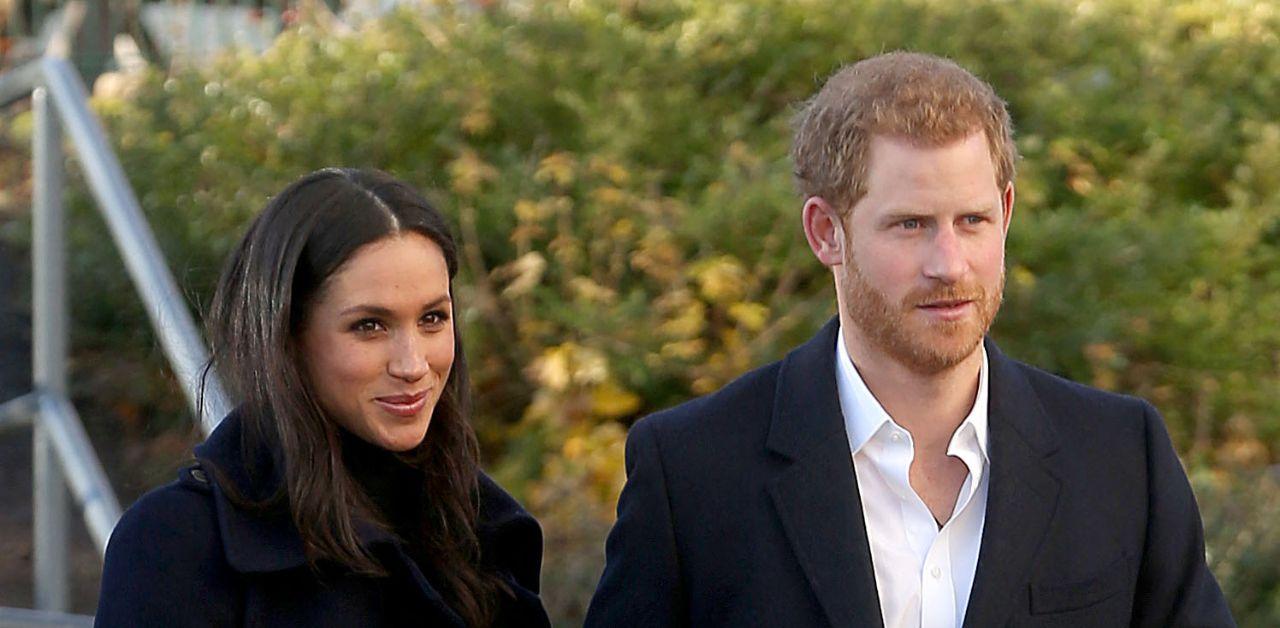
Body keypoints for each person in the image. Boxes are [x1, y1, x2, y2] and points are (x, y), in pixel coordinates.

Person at [585, 52, 1233, 627]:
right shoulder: (694, 471)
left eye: (972, 221)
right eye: (910, 225)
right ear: (825, 233)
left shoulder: (1121, 457)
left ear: (1005, 215)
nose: (949, 263)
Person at [97, 168, 551, 627]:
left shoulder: (482, 527)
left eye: (432, 319)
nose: (413, 364)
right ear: (288, 336)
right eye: (369, 326)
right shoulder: (177, 546)